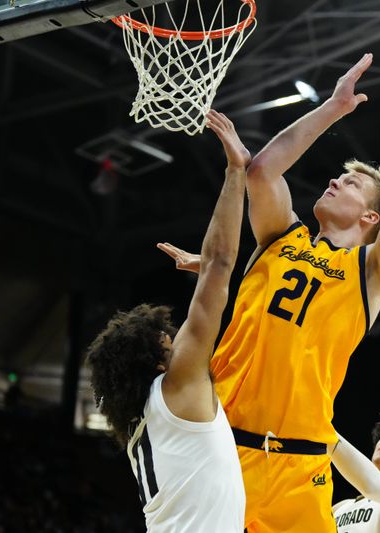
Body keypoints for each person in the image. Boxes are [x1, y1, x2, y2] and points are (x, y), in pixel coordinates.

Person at [158, 53, 380, 532]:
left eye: (351, 183)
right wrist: (333, 108)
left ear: (371, 219)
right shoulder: (281, 238)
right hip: (223, 449)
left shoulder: (370, 271)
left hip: (302, 466)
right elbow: (262, 172)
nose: (334, 180)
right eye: (338, 176)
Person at [85, 110, 249, 533]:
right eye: (167, 339)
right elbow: (221, 260)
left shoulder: (146, 417)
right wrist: (236, 170)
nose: (176, 341)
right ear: (158, 362)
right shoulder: (176, 386)